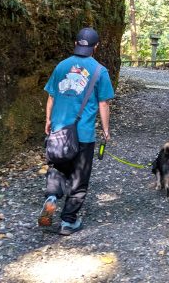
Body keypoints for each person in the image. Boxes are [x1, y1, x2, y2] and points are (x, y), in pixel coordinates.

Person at [38, 27, 114, 235]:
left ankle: (52, 197)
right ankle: (68, 221)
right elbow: (103, 103)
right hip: (83, 134)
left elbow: (51, 97)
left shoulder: (61, 66)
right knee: (79, 179)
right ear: (95, 47)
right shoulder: (99, 71)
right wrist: (106, 130)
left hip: (59, 130)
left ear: (75, 43)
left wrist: (48, 120)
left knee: (58, 167)